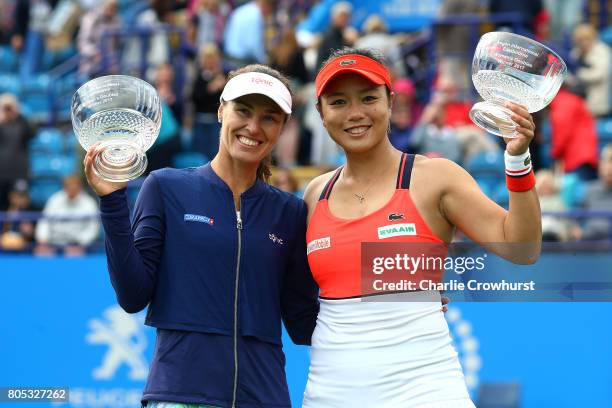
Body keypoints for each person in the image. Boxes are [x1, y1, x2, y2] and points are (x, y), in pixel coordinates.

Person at [301, 48, 541, 407]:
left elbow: (521, 248)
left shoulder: (435, 177)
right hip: (330, 394)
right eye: (338, 102)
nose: (355, 113)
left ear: (391, 102)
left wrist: (518, 158)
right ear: (321, 113)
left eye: (368, 98)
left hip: (426, 391)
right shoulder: (314, 194)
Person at [84, 64, 319, 407]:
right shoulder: (166, 187)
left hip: (264, 397)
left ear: (282, 127)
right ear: (221, 110)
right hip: (180, 394)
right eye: (243, 110)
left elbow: (302, 321)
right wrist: (112, 201)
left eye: (269, 117)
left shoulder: (290, 212)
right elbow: (132, 295)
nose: (253, 127)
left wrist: (389, 314)